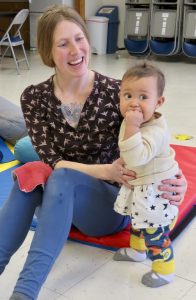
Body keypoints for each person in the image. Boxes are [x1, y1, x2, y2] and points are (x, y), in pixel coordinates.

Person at [0, 5, 187, 300]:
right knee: (31, 171)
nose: (76, 50)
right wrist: (103, 170)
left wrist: (179, 179)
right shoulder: (34, 98)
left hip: (107, 206)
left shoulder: (118, 93)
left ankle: (24, 294)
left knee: (60, 176)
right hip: (57, 205)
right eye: (63, 44)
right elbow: (49, 158)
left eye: (79, 38)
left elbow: (156, 139)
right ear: (49, 52)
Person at [113, 63, 180, 287]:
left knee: (155, 232)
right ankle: (137, 251)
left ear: (158, 102)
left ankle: (164, 269)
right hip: (140, 186)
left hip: (155, 192)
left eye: (143, 96)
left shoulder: (155, 130)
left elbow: (137, 156)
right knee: (137, 222)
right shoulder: (136, 120)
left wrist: (131, 125)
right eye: (128, 95)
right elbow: (126, 149)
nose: (133, 102)